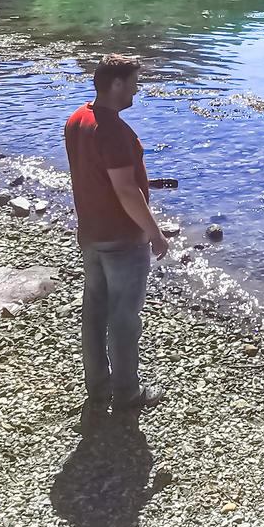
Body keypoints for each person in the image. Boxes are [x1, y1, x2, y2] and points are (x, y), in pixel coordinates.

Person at [64, 55, 168, 420]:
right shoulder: (114, 131)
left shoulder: (77, 119)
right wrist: (155, 232)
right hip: (122, 238)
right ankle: (127, 393)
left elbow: (97, 176)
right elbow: (125, 191)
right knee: (124, 317)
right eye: (134, 82)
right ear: (117, 84)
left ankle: (98, 388)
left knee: (94, 313)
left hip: (91, 233)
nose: (137, 90)